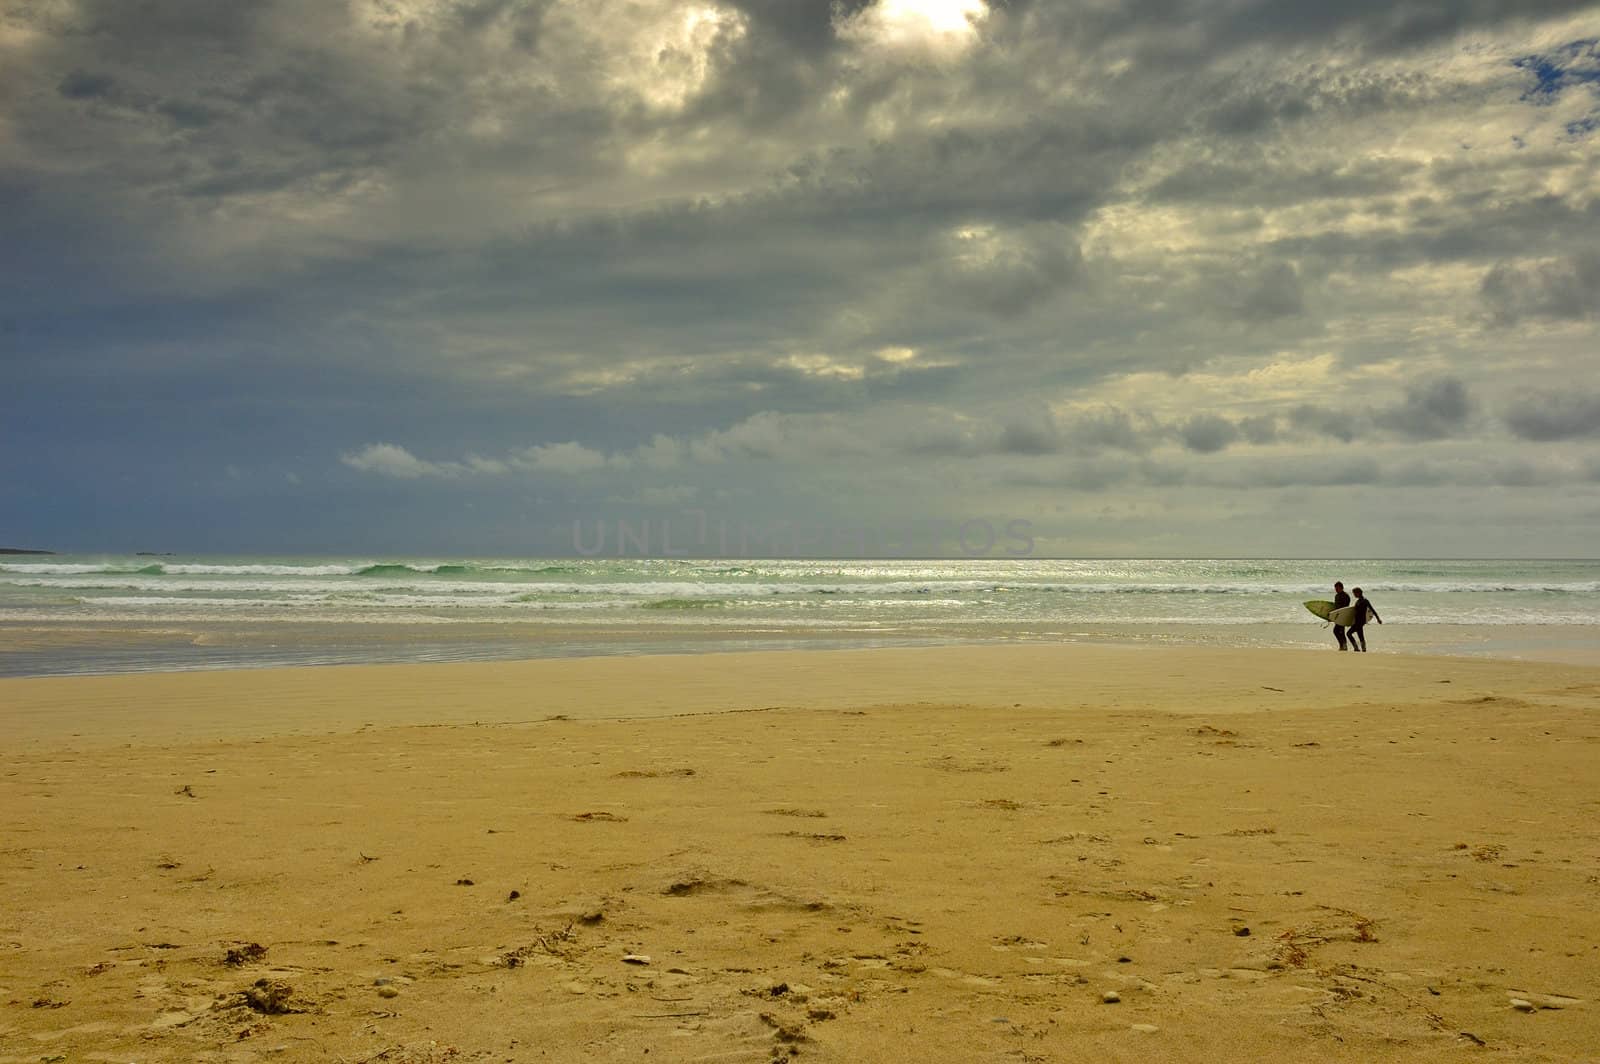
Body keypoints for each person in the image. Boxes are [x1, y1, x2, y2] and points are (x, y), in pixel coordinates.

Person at [1347, 587, 1382, 652]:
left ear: (1358, 593)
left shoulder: (1365, 601)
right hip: (1357, 621)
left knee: (1349, 633)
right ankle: (1362, 648)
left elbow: (1372, 609)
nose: (1354, 595)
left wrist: (1378, 618)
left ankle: (1357, 648)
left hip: (1360, 621)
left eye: (1354, 593)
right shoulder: (1357, 601)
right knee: (1359, 635)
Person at [1331, 581, 1350, 651]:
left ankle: (1343, 645)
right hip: (1337, 616)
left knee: (1340, 631)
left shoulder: (1346, 595)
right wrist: (1332, 616)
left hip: (1343, 616)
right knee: (1338, 631)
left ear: (1341, 587)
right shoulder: (1336, 596)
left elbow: (1345, 607)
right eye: (1335, 588)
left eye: (1337, 588)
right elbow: (1335, 607)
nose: (1336, 590)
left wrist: (1341, 615)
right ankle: (1342, 645)